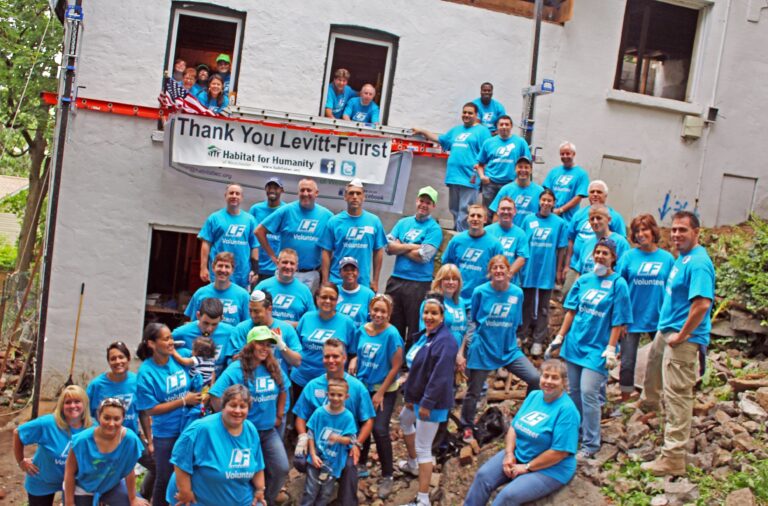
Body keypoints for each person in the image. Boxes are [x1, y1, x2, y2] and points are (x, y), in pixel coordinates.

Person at [640, 211, 715, 476]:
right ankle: (650, 416)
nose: (676, 235)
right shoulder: (682, 259)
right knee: (653, 377)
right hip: (667, 331)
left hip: (682, 340)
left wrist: (682, 336)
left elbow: (702, 304)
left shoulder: (699, 263)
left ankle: (673, 457)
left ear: (696, 232)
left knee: (677, 396)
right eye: (673, 230)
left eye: (683, 230)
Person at [549, 238, 632, 458]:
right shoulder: (584, 280)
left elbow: (619, 319)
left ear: (613, 257)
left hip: (597, 348)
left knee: (588, 392)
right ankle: (572, 434)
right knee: (574, 393)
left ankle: (591, 443)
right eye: (597, 252)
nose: (600, 256)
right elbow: (571, 311)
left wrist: (611, 347)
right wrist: (559, 336)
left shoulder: (618, 284)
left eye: (605, 253)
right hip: (575, 344)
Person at [464, 359, 580, 506]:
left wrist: (526, 467)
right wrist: (509, 454)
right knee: (483, 476)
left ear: (564, 382)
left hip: (551, 469)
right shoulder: (534, 396)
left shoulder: (567, 411)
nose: (549, 381)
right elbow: (514, 427)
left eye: (555, 378)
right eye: (546, 376)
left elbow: (559, 452)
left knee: (507, 496)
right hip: (520, 454)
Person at [458, 255, 539, 442]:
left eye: (502, 267)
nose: (499, 271)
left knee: (535, 378)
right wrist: (471, 341)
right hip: (483, 348)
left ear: (508, 270)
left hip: (508, 349)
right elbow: (475, 318)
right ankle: (466, 425)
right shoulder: (480, 291)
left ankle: (525, 417)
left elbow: (517, 321)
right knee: (474, 391)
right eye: (495, 268)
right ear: (490, 271)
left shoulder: (517, 293)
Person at [210, 326, 289, 505]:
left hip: (267, 431)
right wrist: (227, 421)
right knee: (243, 472)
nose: (264, 348)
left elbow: (284, 388)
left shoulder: (273, 366)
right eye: (260, 343)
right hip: (242, 433)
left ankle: (263, 500)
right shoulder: (236, 370)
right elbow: (215, 395)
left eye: (268, 344)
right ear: (250, 345)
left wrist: (279, 414)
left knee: (281, 468)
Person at [293, 339, 375, 506]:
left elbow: (368, 421)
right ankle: (314, 487)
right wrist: (303, 437)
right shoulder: (312, 385)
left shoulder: (357, 388)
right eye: (327, 356)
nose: (331, 360)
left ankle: (347, 501)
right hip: (316, 443)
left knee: (350, 465)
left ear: (344, 358)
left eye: (335, 356)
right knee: (300, 460)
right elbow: (300, 417)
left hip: (343, 445)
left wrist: (357, 444)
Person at [399, 295, 459, 506]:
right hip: (416, 397)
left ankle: (422, 499)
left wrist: (426, 403)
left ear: (443, 317)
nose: (429, 316)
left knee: (424, 447)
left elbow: (440, 377)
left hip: (431, 403)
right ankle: (413, 463)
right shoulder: (425, 335)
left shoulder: (446, 341)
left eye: (434, 313)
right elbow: (416, 369)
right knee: (404, 420)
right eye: (426, 312)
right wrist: (409, 396)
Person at [167, 385, 266, 506]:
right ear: (223, 406)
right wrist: (185, 492)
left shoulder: (250, 429)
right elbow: (180, 460)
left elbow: (257, 466)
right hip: (199, 499)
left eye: (243, 407)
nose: (238, 411)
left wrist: (260, 490)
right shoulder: (201, 428)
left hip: (239, 497)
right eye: (233, 405)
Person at [136, 323, 202, 506]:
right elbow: (150, 409)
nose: (171, 342)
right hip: (165, 433)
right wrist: (182, 401)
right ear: (151, 343)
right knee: (165, 477)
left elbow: (198, 378)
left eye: (171, 337)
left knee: (187, 474)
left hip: (188, 427)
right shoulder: (146, 373)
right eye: (166, 339)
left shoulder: (181, 358)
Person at [348, 294, 403, 499]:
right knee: (363, 424)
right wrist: (354, 360)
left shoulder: (392, 334)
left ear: (389, 314)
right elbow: (355, 351)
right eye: (376, 310)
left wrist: (380, 393)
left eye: (383, 311)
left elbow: (396, 365)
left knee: (379, 428)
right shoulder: (362, 329)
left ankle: (388, 474)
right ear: (370, 310)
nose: (379, 315)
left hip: (385, 388)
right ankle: (361, 462)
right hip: (363, 385)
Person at [616, 214, 674, 402]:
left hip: (659, 318)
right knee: (627, 362)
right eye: (637, 231)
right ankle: (625, 399)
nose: (641, 234)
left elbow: (672, 289)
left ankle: (658, 397)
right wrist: (620, 319)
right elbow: (619, 289)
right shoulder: (628, 257)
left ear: (653, 231)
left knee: (662, 360)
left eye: (645, 230)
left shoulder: (667, 258)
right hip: (631, 318)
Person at [86, 341, 155, 500]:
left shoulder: (137, 382)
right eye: (113, 358)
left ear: (128, 359)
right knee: (110, 477)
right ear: (109, 361)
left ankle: (143, 496)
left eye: (121, 357)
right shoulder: (97, 385)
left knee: (158, 466)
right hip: (105, 441)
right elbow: (86, 415)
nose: (118, 362)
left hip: (131, 438)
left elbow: (143, 413)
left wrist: (150, 441)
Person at [413, 104, 491, 231]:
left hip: (469, 177)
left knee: (465, 210)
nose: (466, 115)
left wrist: (484, 174)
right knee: (454, 209)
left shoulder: (482, 132)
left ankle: (463, 236)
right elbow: (440, 139)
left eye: (470, 113)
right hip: (454, 177)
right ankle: (457, 233)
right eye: (464, 112)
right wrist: (423, 131)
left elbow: (488, 152)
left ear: (476, 116)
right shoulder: (456, 130)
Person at [14, 385, 92, 506]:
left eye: (77, 401)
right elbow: (18, 433)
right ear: (61, 405)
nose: (72, 406)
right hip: (42, 480)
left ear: (85, 404)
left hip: (75, 483)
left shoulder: (92, 427)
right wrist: (21, 461)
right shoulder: (47, 423)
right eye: (68, 402)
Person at [385, 186, 443, 346]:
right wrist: (414, 246)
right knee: (393, 324)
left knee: (415, 327)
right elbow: (388, 247)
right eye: (421, 201)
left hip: (418, 284)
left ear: (433, 206)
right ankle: (393, 360)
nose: (423, 205)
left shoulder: (434, 229)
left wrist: (401, 246)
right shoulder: (403, 223)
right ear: (416, 201)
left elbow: (424, 256)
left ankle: (409, 365)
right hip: (396, 280)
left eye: (428, 202)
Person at [63, 398, 145, 506]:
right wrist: (69, 503)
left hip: (110, 485)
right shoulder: (81, 441)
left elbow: (128, 470)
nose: (111, 424)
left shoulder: (129, 440)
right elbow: (69, 473)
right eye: (106, 418)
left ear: (123, 419)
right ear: (98, 416)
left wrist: (133, 498)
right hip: (82, 488)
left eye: (116, 419)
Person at [257, 178, 333, 293]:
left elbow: (332, 244)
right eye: (302, 190)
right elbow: (259, 231)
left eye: (309, 190)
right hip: (286, 272)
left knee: (306, 308)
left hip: (312, 275)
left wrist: (325, 273)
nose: (305, 194)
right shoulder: (286, 210)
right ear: (298, 193)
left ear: (316, 193)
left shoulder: (327, 216)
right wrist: (273, 256)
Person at [520, 189, 568, 357]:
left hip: (547, 269)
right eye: (544, 200)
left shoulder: (559, 223)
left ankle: (539, 340)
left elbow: (561, 248)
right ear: (539, 202)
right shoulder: (528, 220)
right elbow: (522, 245)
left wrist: (559, 269)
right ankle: (523, 335)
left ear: (554, 203)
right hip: (529, 269)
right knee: (526, 303)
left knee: (543, 307)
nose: (546, 203)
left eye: (550, 200)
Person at [290, 283, 357, 398]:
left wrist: (354, 360)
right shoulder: (306, 318)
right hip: (301, 379)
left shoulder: (347, 323)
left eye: (332, 298)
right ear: (317, 298)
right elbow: (296, 347)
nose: (327, 301)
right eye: (324, 297)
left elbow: (353, 352)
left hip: (332, 384)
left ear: (337, 301)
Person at [320, 179, 387, 291]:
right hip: (337, 282)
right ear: (345, 196)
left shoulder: (374, 221)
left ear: (364, 197)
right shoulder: (334, 222)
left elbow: (378, 251)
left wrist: (375, 281)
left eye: (358, 193)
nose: (355, 196)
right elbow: (326, 252)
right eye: (351, 193)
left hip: (362, 283)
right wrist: (325, 281)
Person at [301, 378, 359, 506]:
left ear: (346, 396)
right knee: (310, 491)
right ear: (327, 394)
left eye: (340, 395)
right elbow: (311, 433)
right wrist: (313, 454)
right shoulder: (319, 413)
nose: (336, 398)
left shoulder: (347, 417)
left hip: (334, 462)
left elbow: (351, 439)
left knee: (326, 493)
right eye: (332, 394)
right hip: (316, 458)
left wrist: (337, 438)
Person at [564, 180, 628, 294]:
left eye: (599, 192)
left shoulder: (617, 231)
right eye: (592, 192)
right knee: (567, 294)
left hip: (605, 282)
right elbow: (571, 240)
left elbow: (622, 267)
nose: (595, 194)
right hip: (579, 266)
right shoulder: (586, 238)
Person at [198, 183, 258, 289]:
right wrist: (203, 268)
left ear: (241, 197)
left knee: (238, 303)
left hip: (242, 274)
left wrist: (255, 270)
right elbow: (206, 243)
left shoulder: (250, 220)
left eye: (237, 194)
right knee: (216, 303)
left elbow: (254, 246)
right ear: (225, 196)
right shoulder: (214, 218)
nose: (234, 196)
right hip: (219, 271)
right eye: (231, 193)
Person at [441, 204, 503, 300]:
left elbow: (499, 274)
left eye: (479, 216)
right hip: (457, 298)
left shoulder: (495, 245)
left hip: (482, 299)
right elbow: (446, 266)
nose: (475, 218)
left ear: (485, 219)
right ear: (467, 218)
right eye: (472, 215)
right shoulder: (457, 240)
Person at [411, 264, 470, 363]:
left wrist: (460, 354)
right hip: (437, 356)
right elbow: (427, 334)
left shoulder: (461, 302)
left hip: (457, 357)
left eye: (455, 279)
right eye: (447, 278)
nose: (451, 282)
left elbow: (463, 332)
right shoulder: (430, 303)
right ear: (439, 281)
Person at [475, 115, 530, 216]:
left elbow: (527, 163)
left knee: (508, 212)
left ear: (511, 126)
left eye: (507, 124)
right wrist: (482, 176)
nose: (504, 127)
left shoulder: (520, 142)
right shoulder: (488, 143)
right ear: (497, 126)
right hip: (490, 184)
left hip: (511, 184)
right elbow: (480, 164)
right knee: (489, 213)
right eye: (501, 124)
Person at [172, 297, 234, 375]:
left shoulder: (231, 332)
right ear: (198, 315)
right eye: (206, 323)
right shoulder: (181, 332)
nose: (209, 329)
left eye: (214, 324)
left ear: (221, 318)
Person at [185, 252, 250, 326]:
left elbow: (246, 326)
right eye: (220, 266)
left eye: (227, 267)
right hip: (205, 336)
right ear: (213, 267)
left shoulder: (243, 295)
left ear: (232, 270)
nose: (223, 270)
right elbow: (193, 324)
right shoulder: (200, 293)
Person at [255, 248, 316, 327]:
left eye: (292, 263)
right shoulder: (263, 286)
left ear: (296, 266)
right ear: (277, 263)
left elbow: (311, 321)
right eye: (284, 262)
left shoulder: (305, 291)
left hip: (293, 336)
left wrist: (292, 325)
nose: (288, 266)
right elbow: (252, 314)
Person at [571, 205, 631, 277]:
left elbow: (623, 273)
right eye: (592, 219)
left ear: (609, 220)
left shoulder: (620, 243)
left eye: (599, 218)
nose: (595, 222)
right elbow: (580, 273)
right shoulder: (586, 243)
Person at [249, 177, 286, 284]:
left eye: (276, 187)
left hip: (277, 268)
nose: (272, 190)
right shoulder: (255, 209)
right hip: (256, 268)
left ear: (282, 190)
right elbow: (250, 237)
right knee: (254, 299)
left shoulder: (286, 210)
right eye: (269, 187)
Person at [489, 155, 544, 227]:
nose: (523, 170)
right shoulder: (506, 190)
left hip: (531, 233)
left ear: (531, 170)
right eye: (520, 167)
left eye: (526, 167)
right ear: (515, 169)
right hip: (510, 233)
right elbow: (496, 215)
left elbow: (544, 216)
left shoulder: (539, 191)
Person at [485, 196, 529, 286]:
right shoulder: (487, 231)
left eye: (509, 209)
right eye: (503, 209)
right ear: (497, 211)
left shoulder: (520, 234)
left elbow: (522, 258)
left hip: (510, 284)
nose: (506, 212)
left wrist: (507, 276)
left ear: (514, 212)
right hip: (488, 283)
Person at [542, 142, 589, 223]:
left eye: (568, 153)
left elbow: (578, 197)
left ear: (574, 154)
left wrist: (560, 210)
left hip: (569, 219)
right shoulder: (553, 172)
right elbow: (546, 193)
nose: (565, 156)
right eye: (562, 154)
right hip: (551, 216)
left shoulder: (581, 174)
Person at [336, 257, 375, 327]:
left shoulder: (369, 294)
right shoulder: (334, 292)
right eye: (346, 270)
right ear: (340, 273)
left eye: (353, 270)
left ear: (358, 273)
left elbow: (373, 321)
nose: (350, 272)